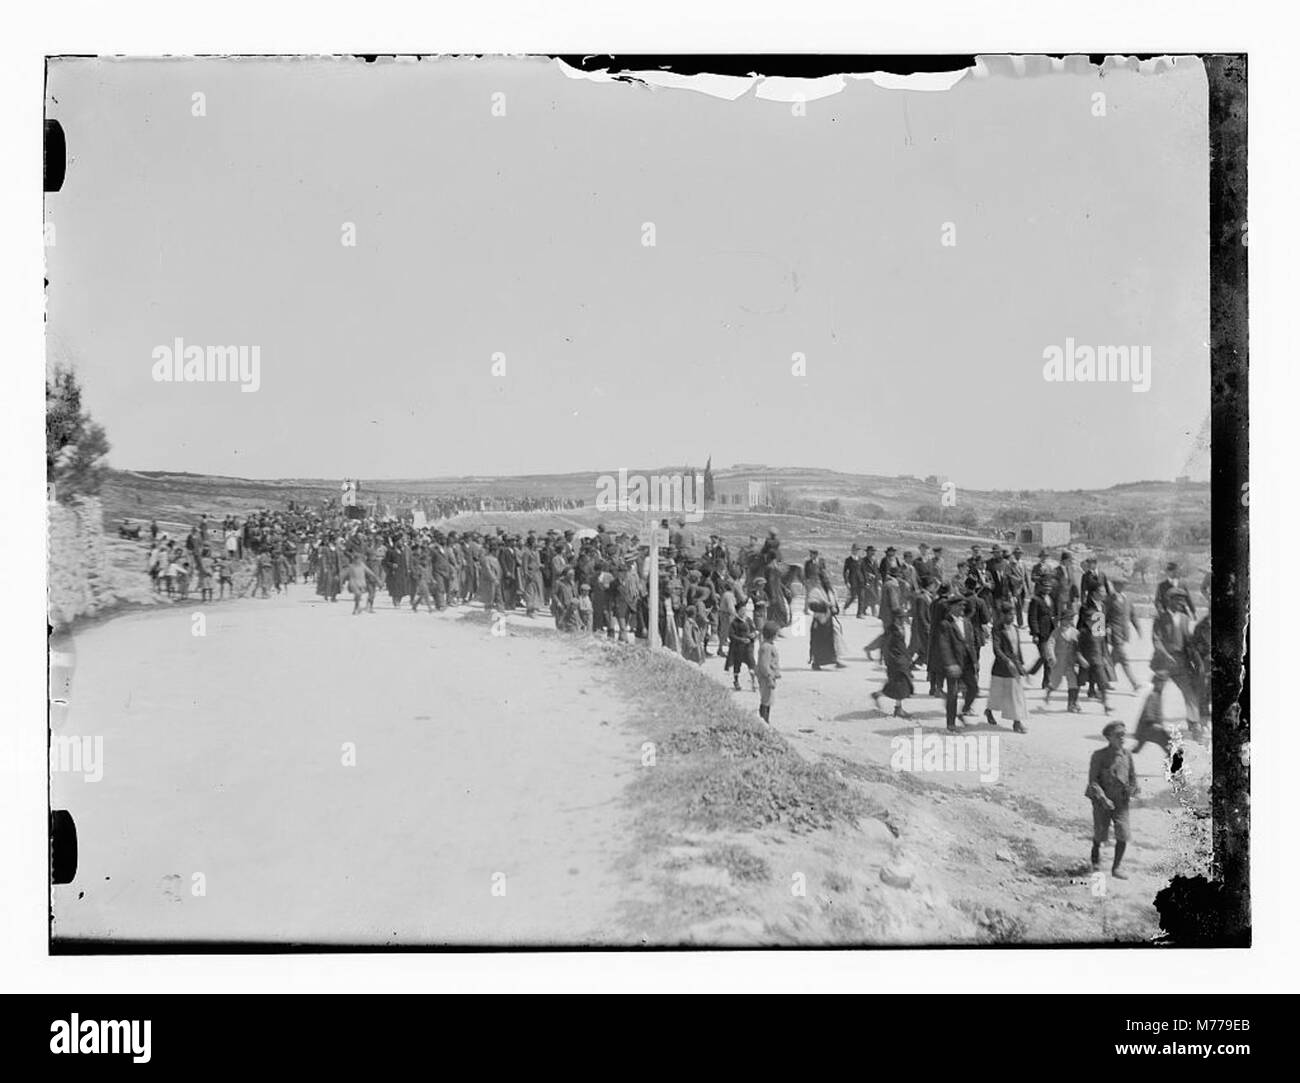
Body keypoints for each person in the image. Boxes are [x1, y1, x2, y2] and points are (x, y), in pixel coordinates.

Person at [1086, 720, 1139, 879]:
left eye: (1124, 735)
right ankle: (1095, 861)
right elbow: (1093, 782)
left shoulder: (1127, 755)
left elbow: (1132, 777)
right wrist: (1103, 799)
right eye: (1118, 735)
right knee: (1100, 833)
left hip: (1121, 801)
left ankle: (1116, 868)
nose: (1122, 738)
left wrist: (1133, 789)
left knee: (1123, 833)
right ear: (1109, 737)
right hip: (1101, 800)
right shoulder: (1099, 756)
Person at [935, 595, 980, 732]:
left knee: (973, 689)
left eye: (964, 605)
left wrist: (975, 661)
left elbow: (971, 644)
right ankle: (951, 724)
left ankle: (964, 710)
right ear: (951, 607)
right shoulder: (945, 624)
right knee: (953, 694)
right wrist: (950, 664)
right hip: (954, 664)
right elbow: (944, 645)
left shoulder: (966, 622)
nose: (963, 608)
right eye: (960, 605)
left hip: (967, 663)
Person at [985, 601, 1028, 733]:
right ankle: (989, 711)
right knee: (996, 695)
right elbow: (997, 649)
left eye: (1014, 614)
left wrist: (1021, 664)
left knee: (1016, 695)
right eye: (1010, 614)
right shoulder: (997, 628)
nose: (1013, 617)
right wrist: (1007, 661)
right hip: (1001, 668)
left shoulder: (1015, 628)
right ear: (1003, 615)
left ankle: (1017, 722)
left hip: (1014, 668)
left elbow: (1017, 648)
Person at [871, 608, 914, 718]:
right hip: (895, 661)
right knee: (899, 684)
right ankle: (898, 709)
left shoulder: (901, 628)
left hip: (902, 660)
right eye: (901, 618)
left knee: (898, 684)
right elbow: (885, 645)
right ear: (895, 618)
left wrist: (908, 657)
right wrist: (891, 660)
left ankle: (879, 695)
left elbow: (902, 646)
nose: (903, 620)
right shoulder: (891, 630)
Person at [1105, 577, 1144, 690]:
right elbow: (1104, 615)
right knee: (1124, 658)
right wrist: (1105, 629)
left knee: (1114, 660)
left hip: (1124, 633)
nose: (1121, 587)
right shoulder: (1109, 599)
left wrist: (1138, 629)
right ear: (1114, 586)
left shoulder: (1127, 599)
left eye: (1123, 585)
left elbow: (1132, 615)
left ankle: (1102, 681)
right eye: (1118, 585)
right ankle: (1135, 683)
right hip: (1114, 632)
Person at [756, 621, 781, 723]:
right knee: (766, 700)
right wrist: (769, 677)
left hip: (769, 676)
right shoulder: (766, 647)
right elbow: (764, 665)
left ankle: (766, 720)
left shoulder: (767, 645)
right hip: (766, 677)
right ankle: (764, 721)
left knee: (769, 699)